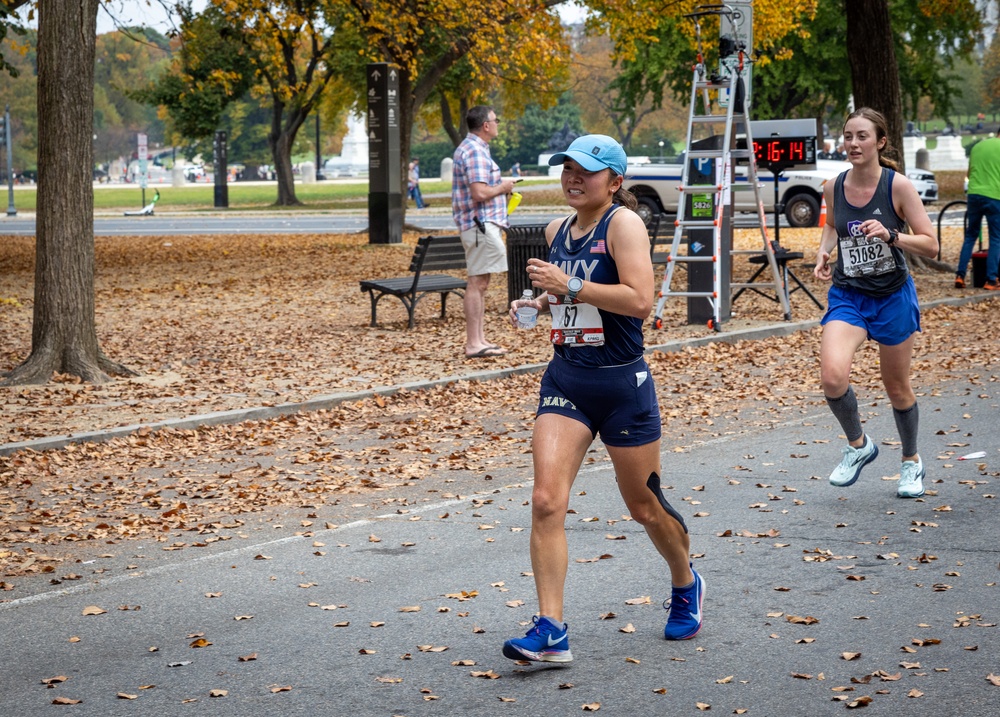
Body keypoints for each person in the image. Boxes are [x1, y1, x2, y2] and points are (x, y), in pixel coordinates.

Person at [501, 135, 703, 664]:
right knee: (547, 500)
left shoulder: (624, 225)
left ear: (614, 181)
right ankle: (551, 630)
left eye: (586, 171)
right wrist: (539, 303)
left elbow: (640, 302)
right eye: (567, 168)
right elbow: (571, 296)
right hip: (567, 380)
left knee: (644, 507)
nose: (573, 178)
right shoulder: (556, 229)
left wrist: (567, 286)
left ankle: (685, 582)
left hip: (622, 386)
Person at [813, 107, 939, 500]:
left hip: (892, 297)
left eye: (862, 136)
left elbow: (932, 244)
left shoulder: (898, 186)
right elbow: (833, 222)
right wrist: (823, 251)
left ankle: (911, 460)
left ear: (880, 142)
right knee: (832, 377)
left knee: (897, 387)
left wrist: (891, 235)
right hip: (849, 294)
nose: (852, 143)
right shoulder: (833, 185)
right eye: (848, 136)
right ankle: (858, 445)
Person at [452, 105, 518, 358]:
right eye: (496, 120)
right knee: (477, 282)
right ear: (486, 125)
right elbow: (479, 193)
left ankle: (478, 340)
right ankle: (473, 344)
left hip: (478, 224)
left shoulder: (473, 149)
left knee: (481, 282)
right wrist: (502, 187)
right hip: (479, 224)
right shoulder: (475, 152)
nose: (498, 124)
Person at [955, 132, 1000, 290]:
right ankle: (991, 280)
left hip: (974, 194)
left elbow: (969, 174)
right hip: (995, 195)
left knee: (971, 235)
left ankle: (960, 276)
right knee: (996, 238)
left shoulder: (977, 146)